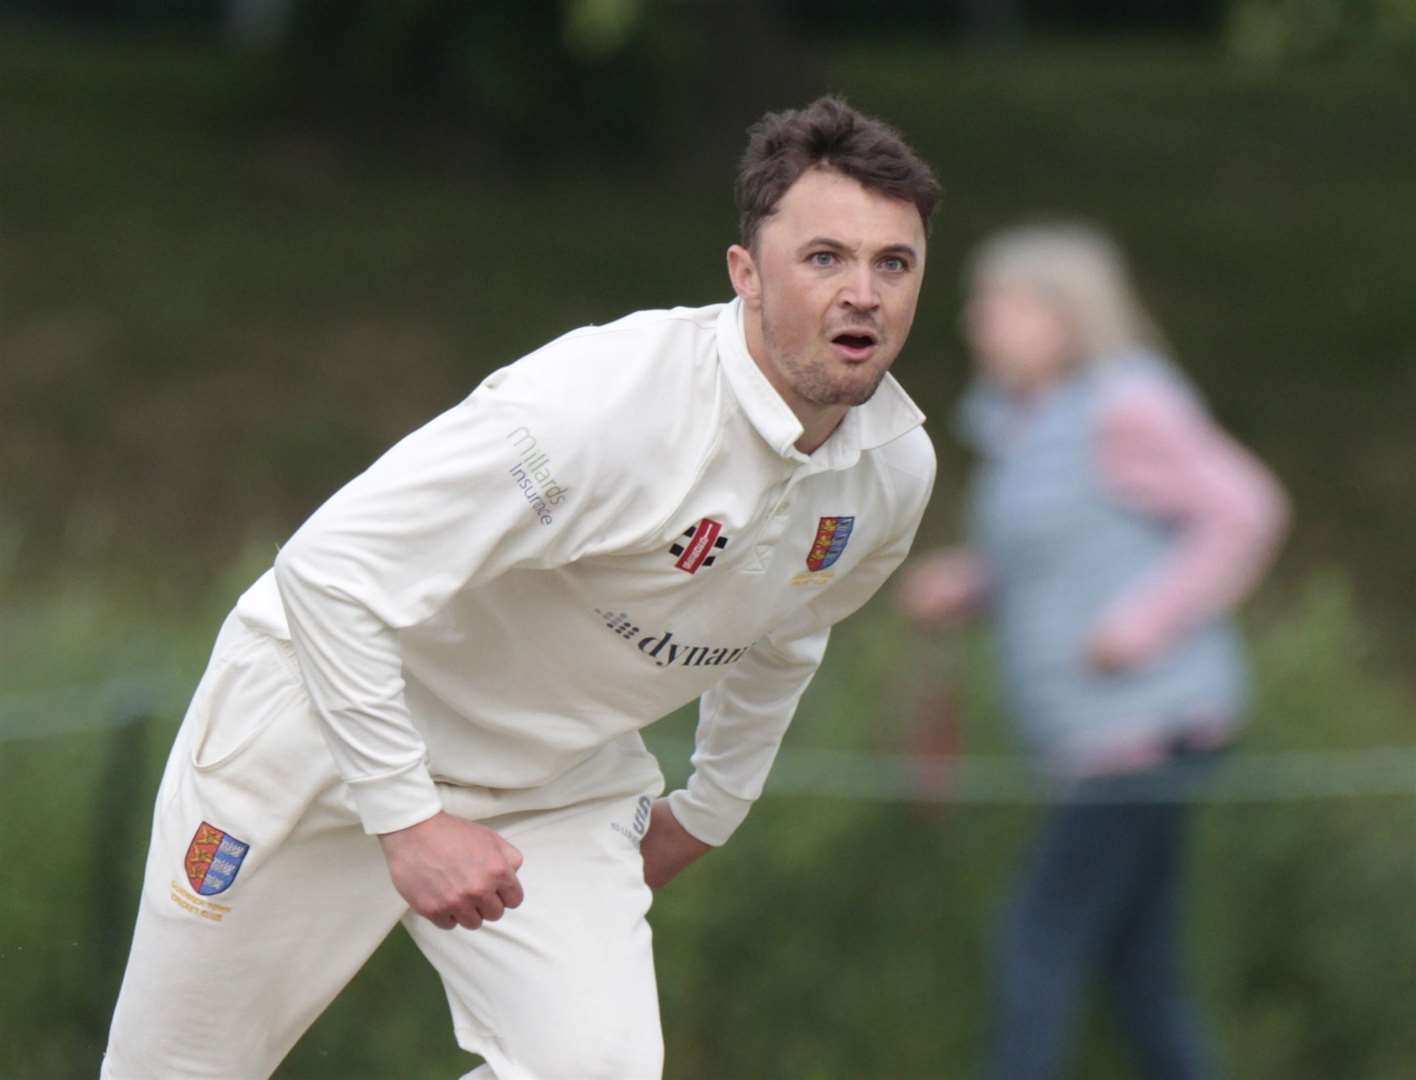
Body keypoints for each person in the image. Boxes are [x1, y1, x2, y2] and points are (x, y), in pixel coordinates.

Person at [101, 96, 941, 1080]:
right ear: (745, 275)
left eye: (895, 264)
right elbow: (329, 574)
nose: (864, 295)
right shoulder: (597, 411)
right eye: (825, 258)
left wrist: (711, 807)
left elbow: (786, 630)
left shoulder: (891, 470)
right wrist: (408, 818)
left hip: (550, 785)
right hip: (317, 736)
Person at [898, 222, 1288, 1080]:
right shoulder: (1023, 423)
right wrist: (973, 585)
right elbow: (1066, 555)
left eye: (999, 304)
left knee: (1037, 940)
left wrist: (1137, 628)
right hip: (1091, 736)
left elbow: (1246, 509)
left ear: (1063, 317)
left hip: (1145, 728)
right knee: (1142, 974)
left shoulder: (1128, 404)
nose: (976, 322)